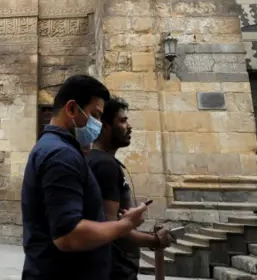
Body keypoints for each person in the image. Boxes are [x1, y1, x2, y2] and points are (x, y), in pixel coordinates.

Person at [21, 75, 149, 280]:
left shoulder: (59, 149)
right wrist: (125, 225)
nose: (98, 125)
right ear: (71, 109)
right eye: (95, 115)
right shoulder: (61, 155)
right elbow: (68, 235)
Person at [87, 97, 173, 280]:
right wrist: (155, 240)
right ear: (105, 126)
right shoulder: (104, 165)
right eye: (122, 121)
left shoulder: (100, 161)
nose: (129, 126)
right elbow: (111, 229)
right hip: (114, 270)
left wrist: (131, 220)